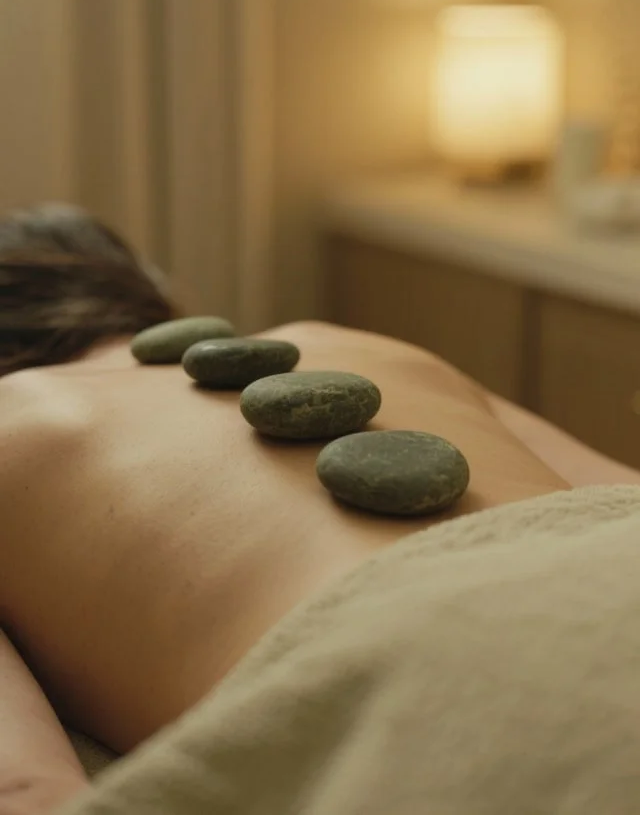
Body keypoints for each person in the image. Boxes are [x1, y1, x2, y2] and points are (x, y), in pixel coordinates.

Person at [0, 204, 637, 814]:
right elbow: (620, 493)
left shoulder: (14, 419)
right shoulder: (340, 340)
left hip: (421, 656)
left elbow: (27, 791)